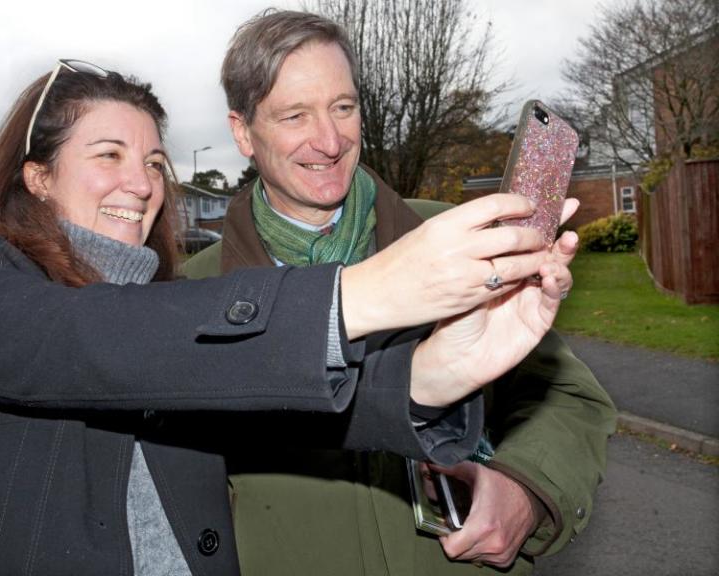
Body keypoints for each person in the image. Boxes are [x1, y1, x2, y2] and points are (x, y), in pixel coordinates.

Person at [181, 9, 617, 575]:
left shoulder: (457, 239)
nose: (331, 140)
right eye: (295, 115)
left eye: (344, 106)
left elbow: (570, 398)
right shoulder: (193, 294)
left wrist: (527, 488)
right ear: (242, 131)